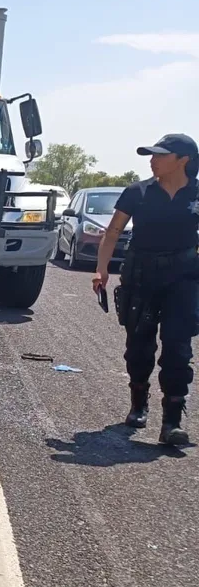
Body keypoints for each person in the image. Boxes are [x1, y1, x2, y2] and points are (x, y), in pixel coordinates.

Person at [94, 134, 199, 445]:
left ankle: (172, 422)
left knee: (178, 347)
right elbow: (113, 231)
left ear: (183, 160)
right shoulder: (137, 192)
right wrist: (101, 269)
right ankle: (138, 404)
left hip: (184, 278)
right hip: (142, 276)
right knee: (139, 346)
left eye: (160, 155)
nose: (152, 161)